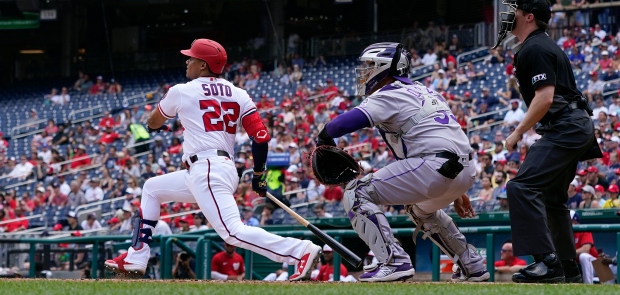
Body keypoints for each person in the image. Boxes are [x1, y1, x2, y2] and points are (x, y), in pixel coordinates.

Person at [105, 38, 322, 280]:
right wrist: (259, 174)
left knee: (232, 233)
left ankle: (299, 251)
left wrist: (158, 123)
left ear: (203, 65)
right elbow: (260, 137)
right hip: (218, 169)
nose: (187, 61)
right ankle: (137, 256)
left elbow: (153, 121)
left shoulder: (181, 90)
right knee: (152, 189)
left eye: (192, 58)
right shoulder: (239, 93)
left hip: (207, 169)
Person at [317, 42, 489, 282]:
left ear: (384, 68)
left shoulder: (389, 93)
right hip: (463, 169)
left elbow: (339, 125)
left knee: (356, 192)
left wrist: (322, 137)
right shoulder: (426, 90)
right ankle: (472, 265)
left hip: (434, 167)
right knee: (420, 210)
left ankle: (394, 261)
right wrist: (456, 189)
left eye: (369, 66)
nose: (364, 72)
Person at [494, 0, 601, 283]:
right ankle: (569, 271)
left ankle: (547, 262)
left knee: (520, 188)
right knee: (553, 201)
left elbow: (544, 97)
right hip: (571, 125)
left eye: (514, 9)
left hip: (566, 126)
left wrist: (517, 132)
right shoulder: (537, 45)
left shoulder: (535, 48)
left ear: (529, 17)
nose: (508, 14)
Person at [570, 210, 597, 284]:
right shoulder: (562, 234)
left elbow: (586, 249)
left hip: (596, 265)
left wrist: (568, 253)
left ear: (575, 222)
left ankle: (588, 285)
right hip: (578, 267)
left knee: (584, 256)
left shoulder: (583, 229)